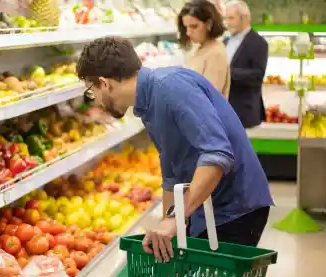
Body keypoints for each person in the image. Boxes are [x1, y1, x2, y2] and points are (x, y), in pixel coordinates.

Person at [76, 37, 273, 263]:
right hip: (206, 206)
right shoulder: (148, 103)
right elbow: (172, 175)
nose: (96, 101)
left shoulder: (171, 88)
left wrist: (175, 220)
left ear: (105, 83)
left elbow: (217, 155)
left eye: (92, 91)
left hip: (235, 208)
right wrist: (166, 227)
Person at [224, 0, 269, 128]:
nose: (227, 23)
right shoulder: (225, 41)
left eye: (231, 18)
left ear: (245, 18)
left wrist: (227, 72)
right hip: (224, 111)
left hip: (244, 113)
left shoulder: (259, 43)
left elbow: (257, 76)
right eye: (225, 18)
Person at [177, 0, 230, 98]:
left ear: (209, 24)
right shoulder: (197, 47)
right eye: (186, 27)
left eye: (194, 26)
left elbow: (208, 97)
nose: (188, 32)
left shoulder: (215, 53)